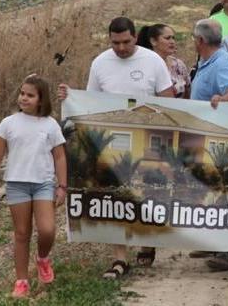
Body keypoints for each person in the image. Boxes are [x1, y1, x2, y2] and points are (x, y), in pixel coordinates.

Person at [58, 17, 173, 279]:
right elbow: (90, 103)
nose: (121, 48)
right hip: (113, 144)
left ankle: (147, 241)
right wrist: (70, 97)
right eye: (115, 43)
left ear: (135, 37)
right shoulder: (100, 63)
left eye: (126, 42)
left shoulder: (153, 61)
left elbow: (169, 100)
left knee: (146, 193)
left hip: (147, 140)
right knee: (115, 197)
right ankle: (119, 259)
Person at [0, 75, 66, 299]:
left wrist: (62, 186)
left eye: (30, 95)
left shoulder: (50, 125)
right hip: (17, 185)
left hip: (43, 184)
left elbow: (59, 157)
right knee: (21, 234)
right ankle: (21, 281)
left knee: (47, 229)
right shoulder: (8, 124)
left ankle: (42, 258)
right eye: (22, 93)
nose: (24, 98)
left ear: (41, 99)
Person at [188, 19, 228, 269]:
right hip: (203, 136)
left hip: (216, 140)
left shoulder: (221, 61)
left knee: (220, 193)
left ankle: (225, 252)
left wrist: (223, 98)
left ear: (200, 41)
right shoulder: (207, 60)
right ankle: (212, 241)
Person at [137, 23, 191, 99]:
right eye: (167, 38)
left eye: (173, 38)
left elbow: (188, 91)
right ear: (153, 41)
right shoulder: (145, 65)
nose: (172, 41)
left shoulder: (179, 65)